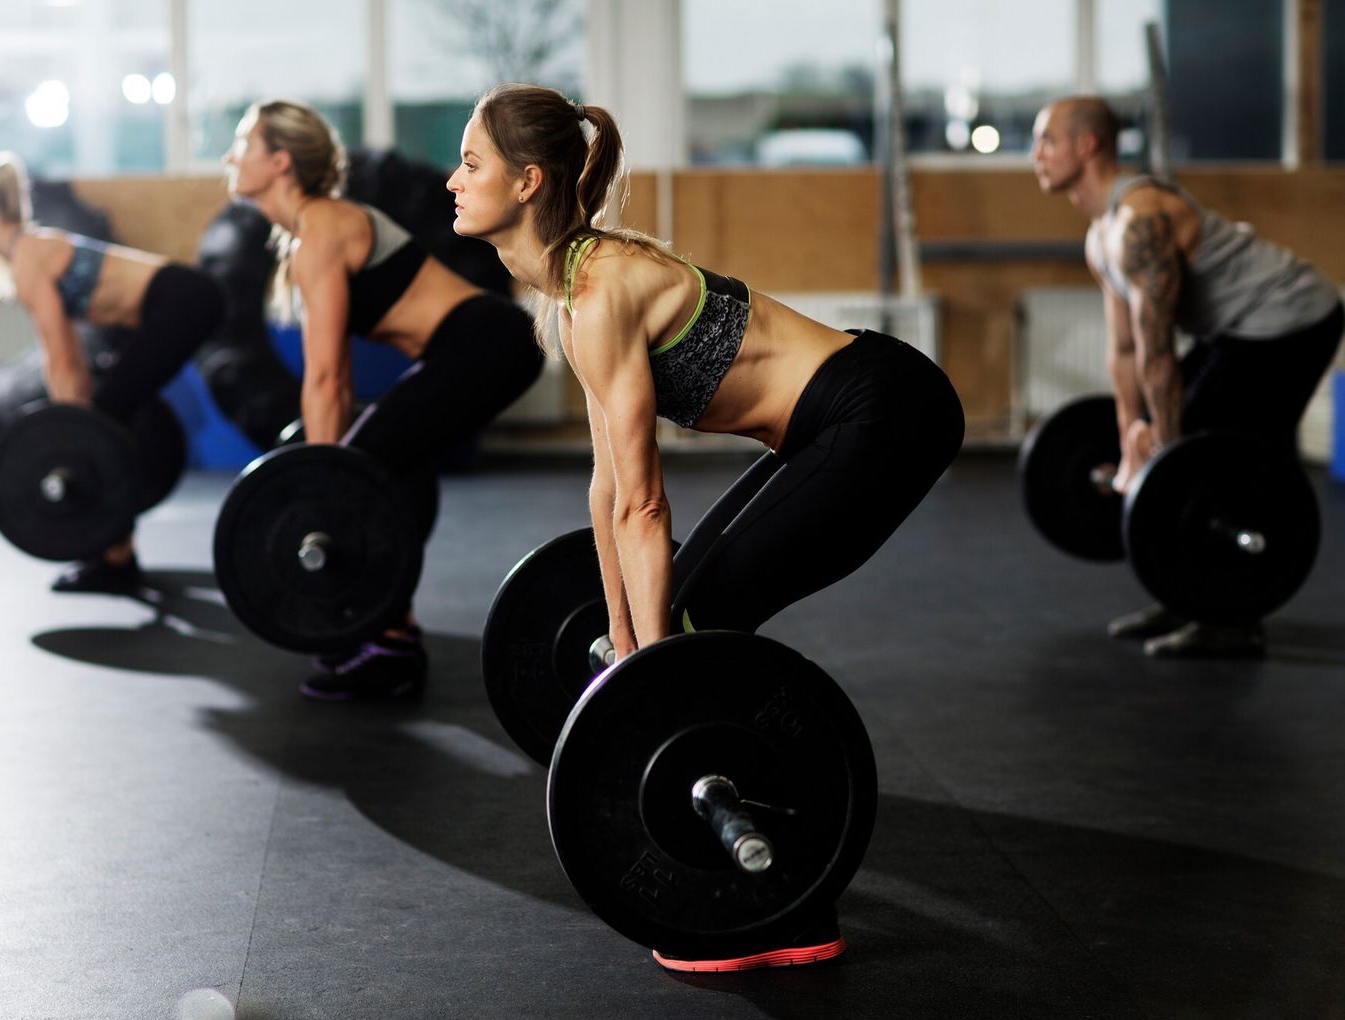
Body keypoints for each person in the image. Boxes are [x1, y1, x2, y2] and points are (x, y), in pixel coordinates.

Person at [449, 83, 964, 973]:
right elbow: (608, 492)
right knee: (682, 622)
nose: (452, 181)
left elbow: (647, 507)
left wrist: (652, 678)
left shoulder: (601, 288)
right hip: (839, 420)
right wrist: (622, 639)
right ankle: (777, 876)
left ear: (527, 182)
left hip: (883, 414)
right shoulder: (576, 293)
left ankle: (790, 906)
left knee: (699, 629)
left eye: (470, 163)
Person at [223, 100, 543, 701]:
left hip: (482, 343)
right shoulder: (308, 235)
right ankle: (389, 632)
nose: (229, 156)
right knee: (394, 462)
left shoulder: (322, 229)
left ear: (280, 162)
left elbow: (327, 380)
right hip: (475, 346)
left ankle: (389, 639)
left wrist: (322, 488)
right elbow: (332, 390)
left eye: (243, 144)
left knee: (362, 469)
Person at [1031, 96, 1343, 659]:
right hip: (1235, 329)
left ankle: (1230, 617)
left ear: (1087, 145)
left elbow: (1157, 352)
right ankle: (1183, 594)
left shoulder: (1140, 220)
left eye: (1047, 140)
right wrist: (1133, 437)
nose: (1036, 155)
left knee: (1220, 456)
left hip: (1293, 319)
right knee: (1182, 435)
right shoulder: (1101, 237)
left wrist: (1168, 460)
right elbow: (1124, 349)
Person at [0, 152, 226, 595]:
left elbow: (63, 358)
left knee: (105, 423)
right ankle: (115, 554)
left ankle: (116, 561)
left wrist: (74, 436)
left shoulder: (29, 256)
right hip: (179, 302)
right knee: (110, 418)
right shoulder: (26, 254)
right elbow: (66, 353)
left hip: (183, 300)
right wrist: (77, 429)